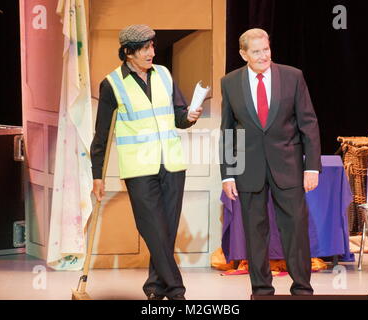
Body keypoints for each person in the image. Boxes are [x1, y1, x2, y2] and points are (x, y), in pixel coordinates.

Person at [90, 24, 202, 300]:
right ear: (128, 52)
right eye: (145, 48)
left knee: (166, 232)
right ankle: (177, 291)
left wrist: (189, 117)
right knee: (153, 229)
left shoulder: (163, 74)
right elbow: (102, 134)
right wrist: (97, 175)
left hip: (172, 165)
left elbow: (178, 116)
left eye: (152, 46)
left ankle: (154, 287)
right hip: (139, 169)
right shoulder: (112, 84)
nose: (152, 52)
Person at [220, 28, 321, 296]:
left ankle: (302, 289)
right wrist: (228, 174)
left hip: (288, 167)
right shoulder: (230, 82)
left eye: (266, 49)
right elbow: (228, 131)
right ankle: (261, 290)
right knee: (255, 233)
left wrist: (311, 166)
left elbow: (308, 123)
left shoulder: (292, 76)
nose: (263, 55)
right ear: (244, 54)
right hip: (248, 169)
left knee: (296, 231)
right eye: (256, 51)